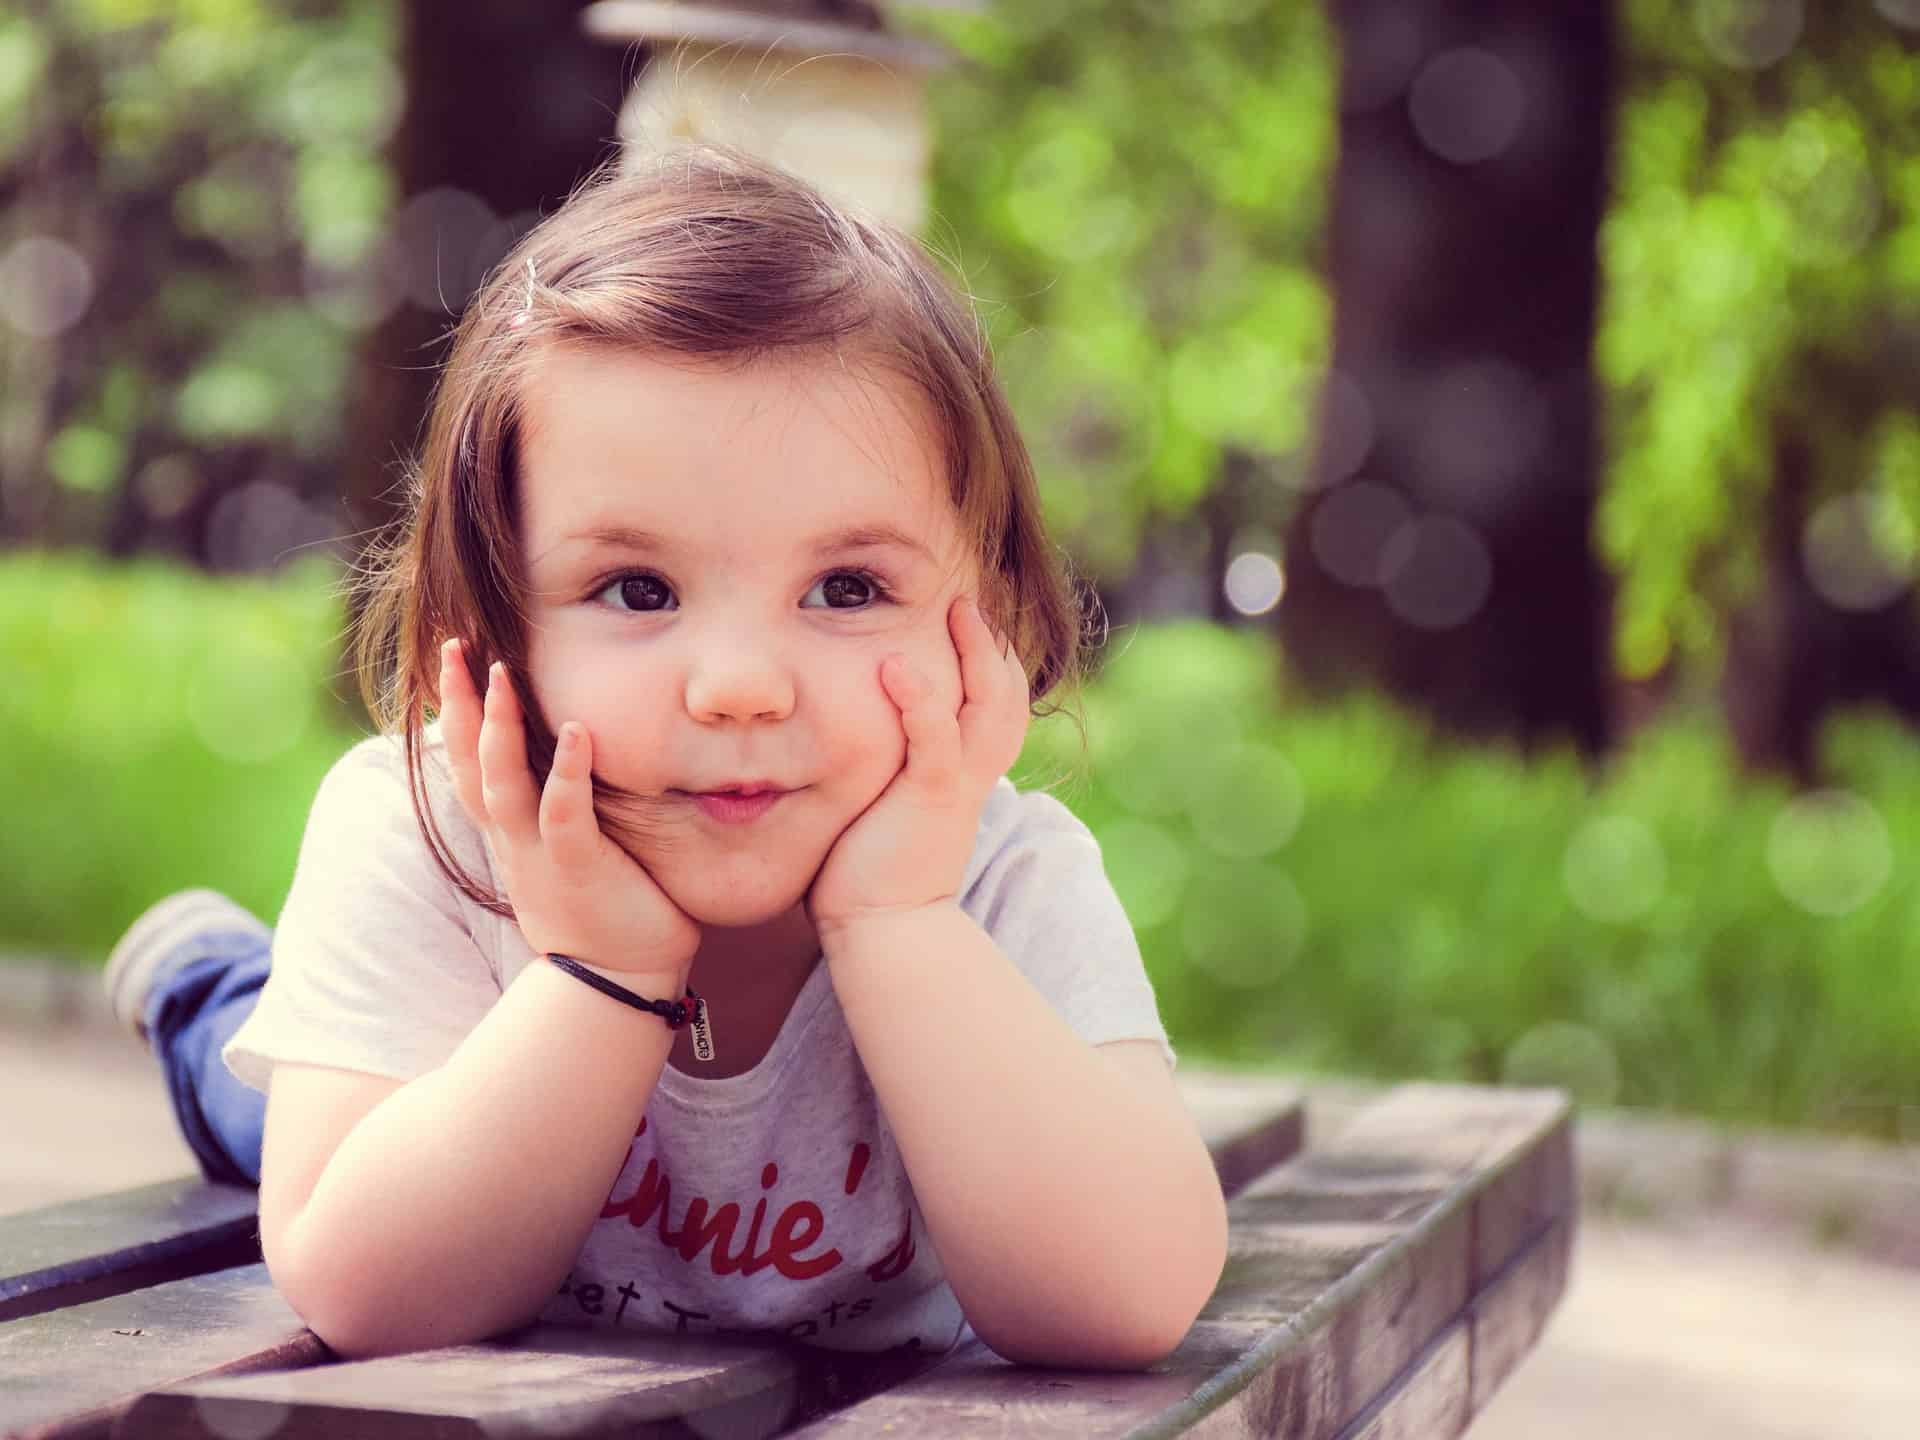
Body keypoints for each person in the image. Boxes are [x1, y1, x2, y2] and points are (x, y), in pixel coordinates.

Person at [103, 143, 1228, 1371]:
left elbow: (1129, 1304)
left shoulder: (999, 874)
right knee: (259, 1096)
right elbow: (366, 1296)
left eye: (847, 587)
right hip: (419, 1072)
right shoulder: (428, 833)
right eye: (637, 589)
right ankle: (203, 986)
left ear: (989, 623)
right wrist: (601, 971)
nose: (741, 684)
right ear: (491, 626)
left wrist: (899, 923)